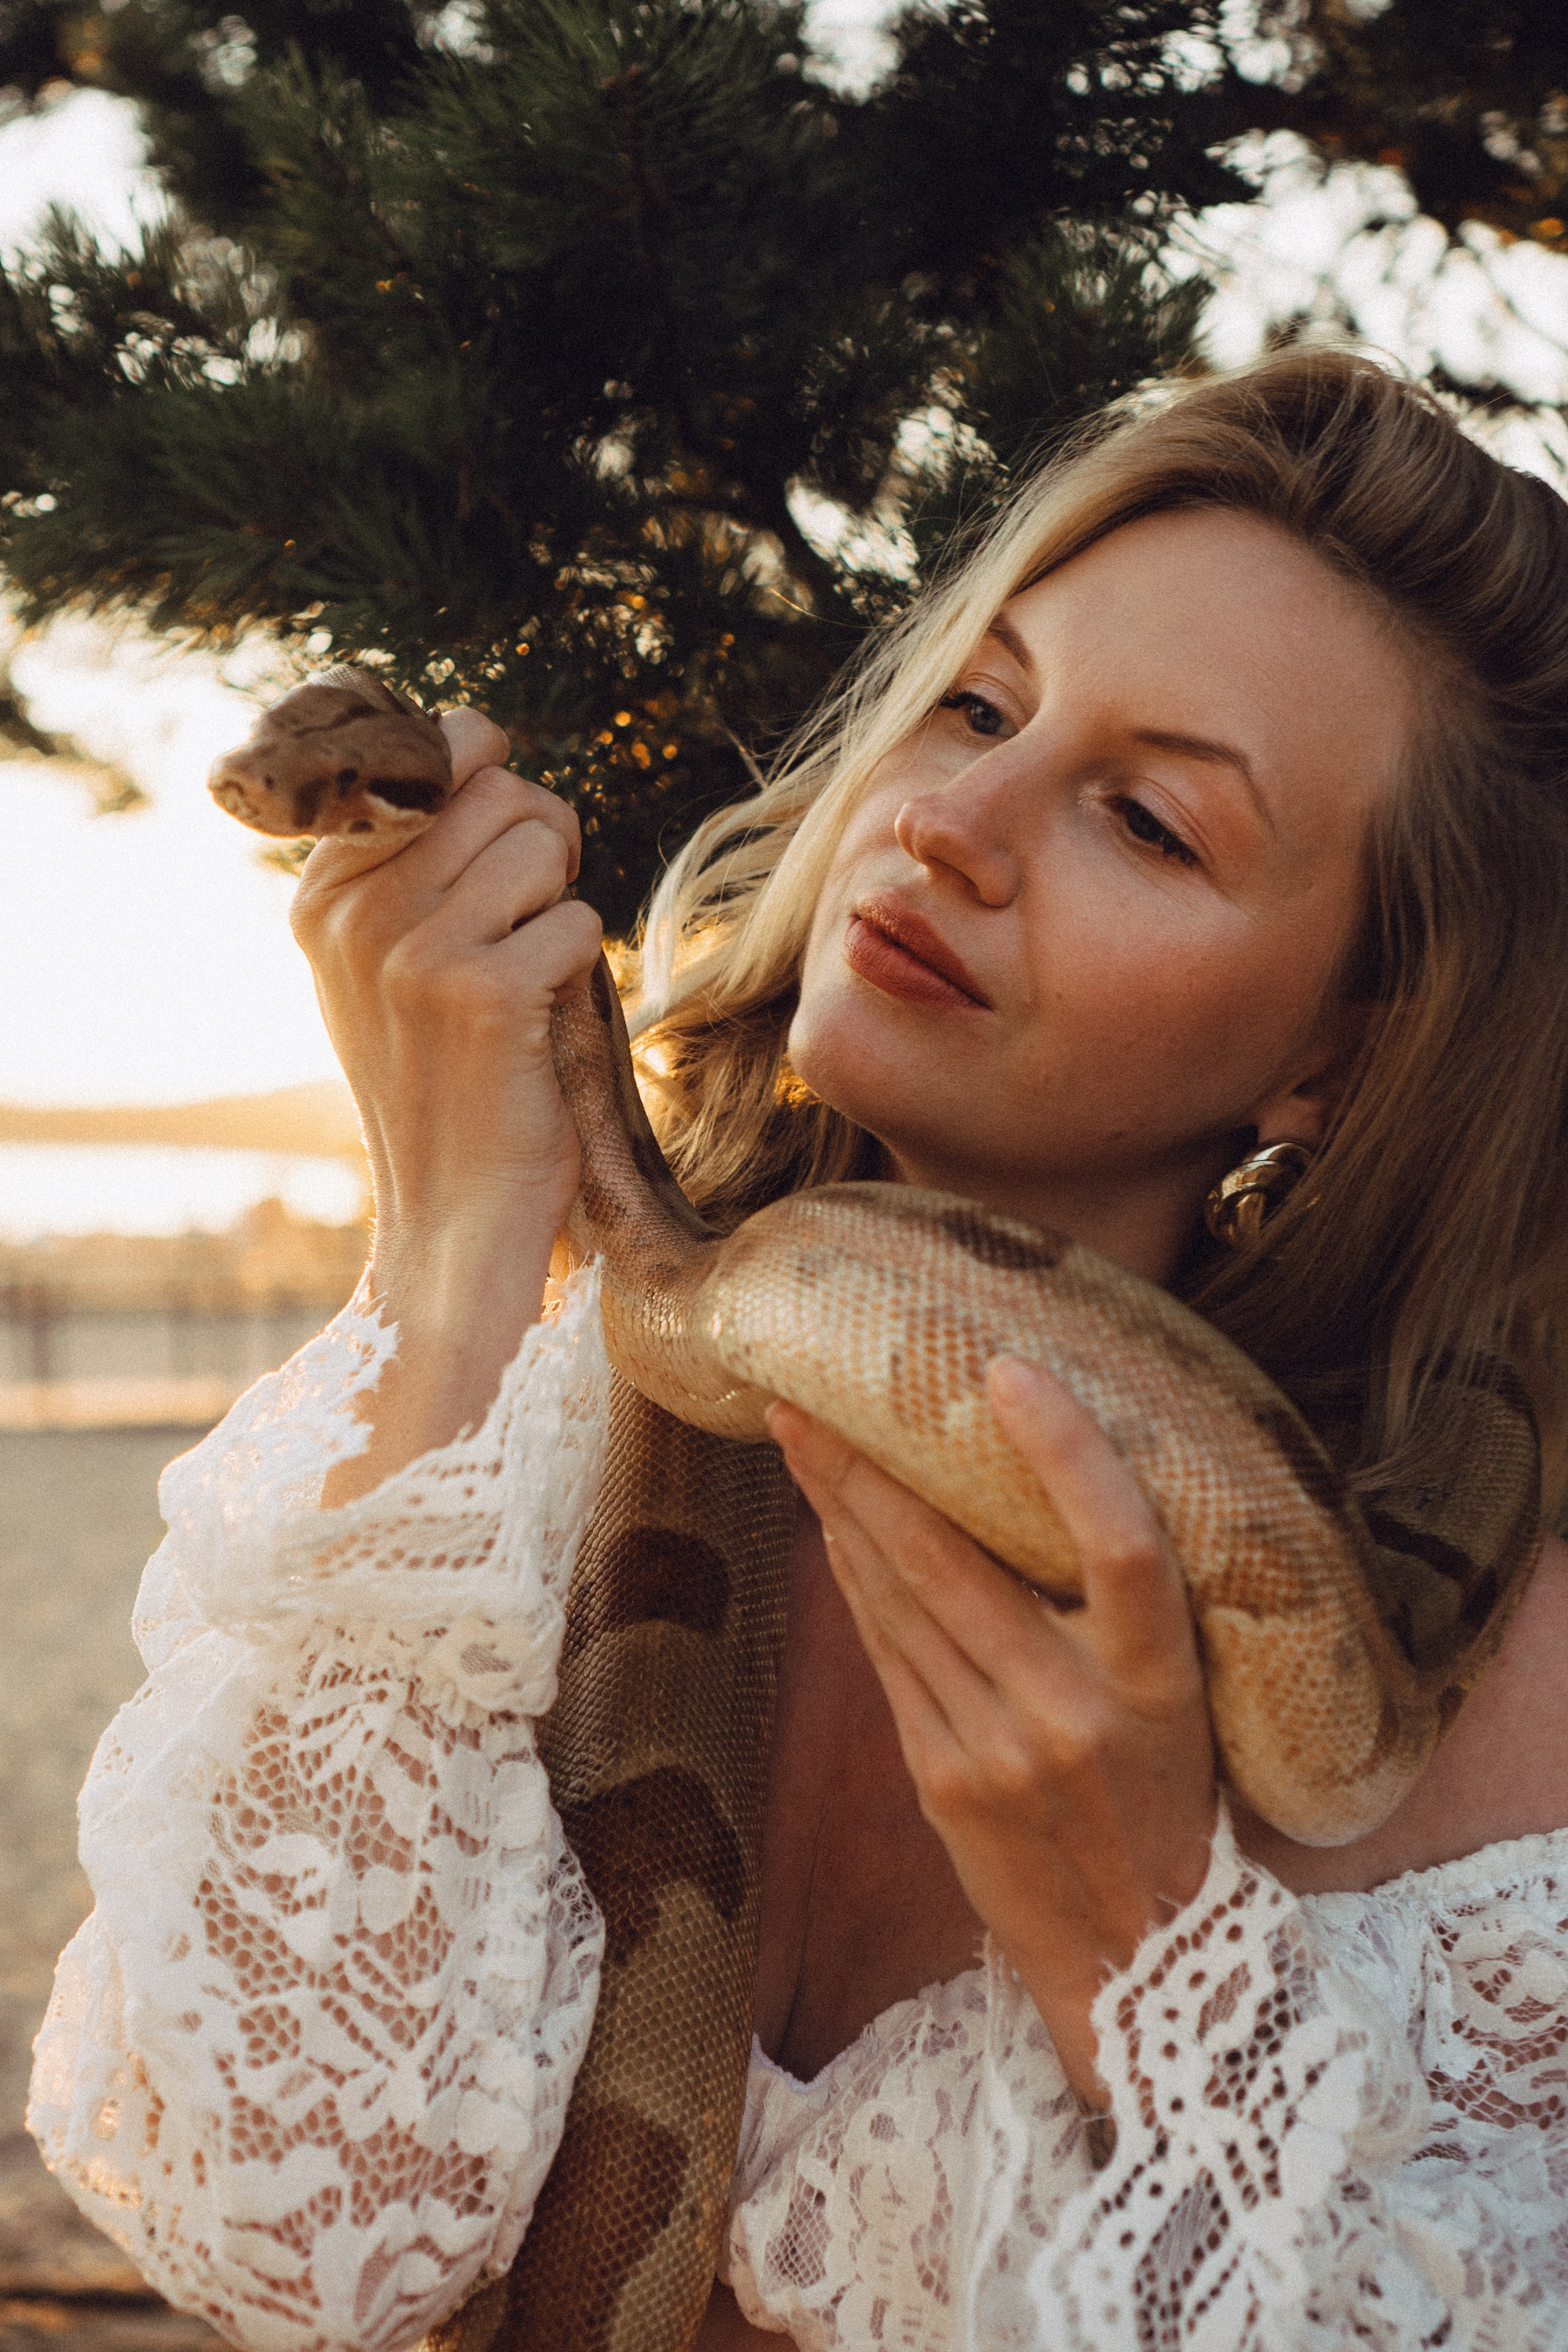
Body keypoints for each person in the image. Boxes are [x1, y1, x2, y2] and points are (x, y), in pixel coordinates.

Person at [27, 349, 1568, 2350]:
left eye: (1150, 821)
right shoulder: (511, 1451)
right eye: (980, 702)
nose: (953, 820)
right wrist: (449, 1243)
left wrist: (1158, 1966)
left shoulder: (1499, 1707)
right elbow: (293, 2236)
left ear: (1338, 1053)